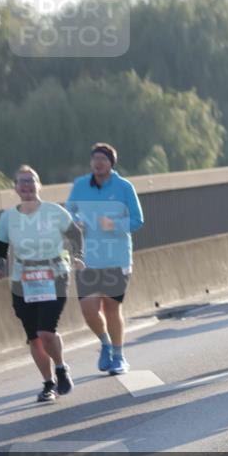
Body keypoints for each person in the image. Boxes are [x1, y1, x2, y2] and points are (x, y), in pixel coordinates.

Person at [0, 166, 84, 403]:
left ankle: (61, 367)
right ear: (15, 187)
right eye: (22, 182)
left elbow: (75, 235)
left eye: (31, 181)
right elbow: (0, 246)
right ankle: (48, 383)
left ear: (39, 185)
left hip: (54, 274)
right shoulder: (9, 217)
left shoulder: (54, 212)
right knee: (34, 337)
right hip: (24, 279)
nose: (26, 186)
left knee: (46, 331)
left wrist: (78, 255)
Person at [66, 143, 144, 374]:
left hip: (116, 258)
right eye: (95, 159)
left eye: (103, 159)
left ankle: (119, 356)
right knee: (89, 310)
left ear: (111, 163)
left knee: (111, 307)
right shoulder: (80, 186)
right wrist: (75, 221)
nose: (98, 163)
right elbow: (67, 212)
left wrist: (115, 225)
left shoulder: (123, 187)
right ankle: (105, 343)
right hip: (87, 259)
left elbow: (137, 220)